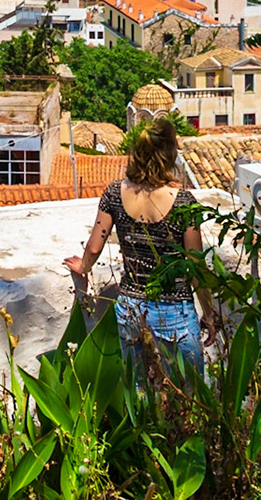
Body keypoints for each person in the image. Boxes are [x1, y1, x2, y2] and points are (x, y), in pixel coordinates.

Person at [63, 117, 212, 370]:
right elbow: (196, 264)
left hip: (131, 308)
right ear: (168, 155)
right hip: (174, 308)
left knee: (140, 395)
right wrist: (209, 312)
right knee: (189, 393)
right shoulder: (185, 202)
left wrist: (84, 267)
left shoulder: (114, 193)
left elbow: (95, 247)